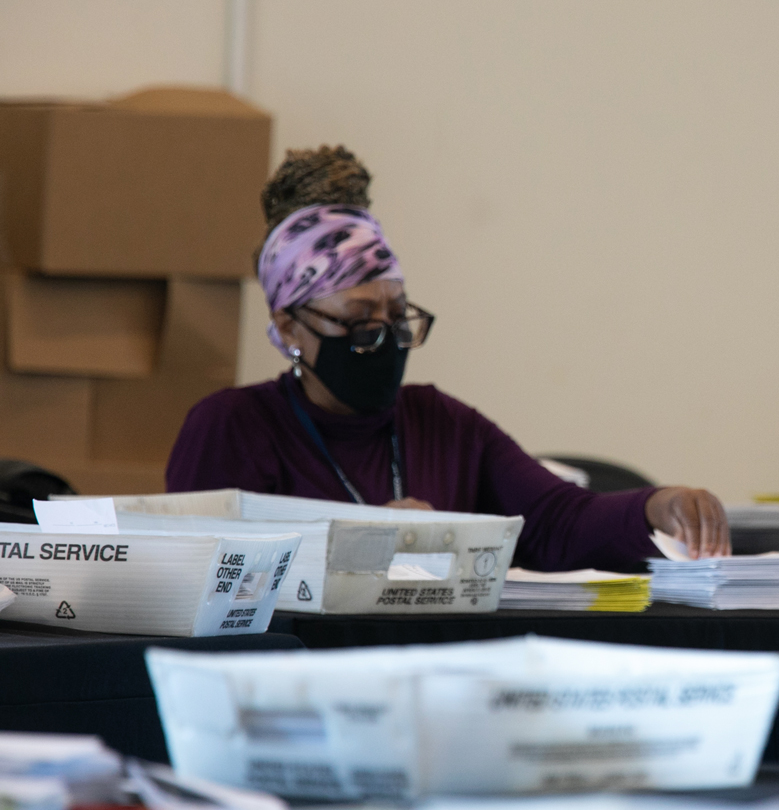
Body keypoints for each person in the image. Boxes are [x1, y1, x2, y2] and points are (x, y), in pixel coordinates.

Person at [168, 145, 729, 570]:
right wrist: (355, 537)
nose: (385, 338)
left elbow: (556, 519)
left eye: (397, 316)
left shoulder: (443, 425)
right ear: (290, 324)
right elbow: (202, 573)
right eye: (361, 322)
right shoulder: (232, 429)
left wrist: (657, 506)